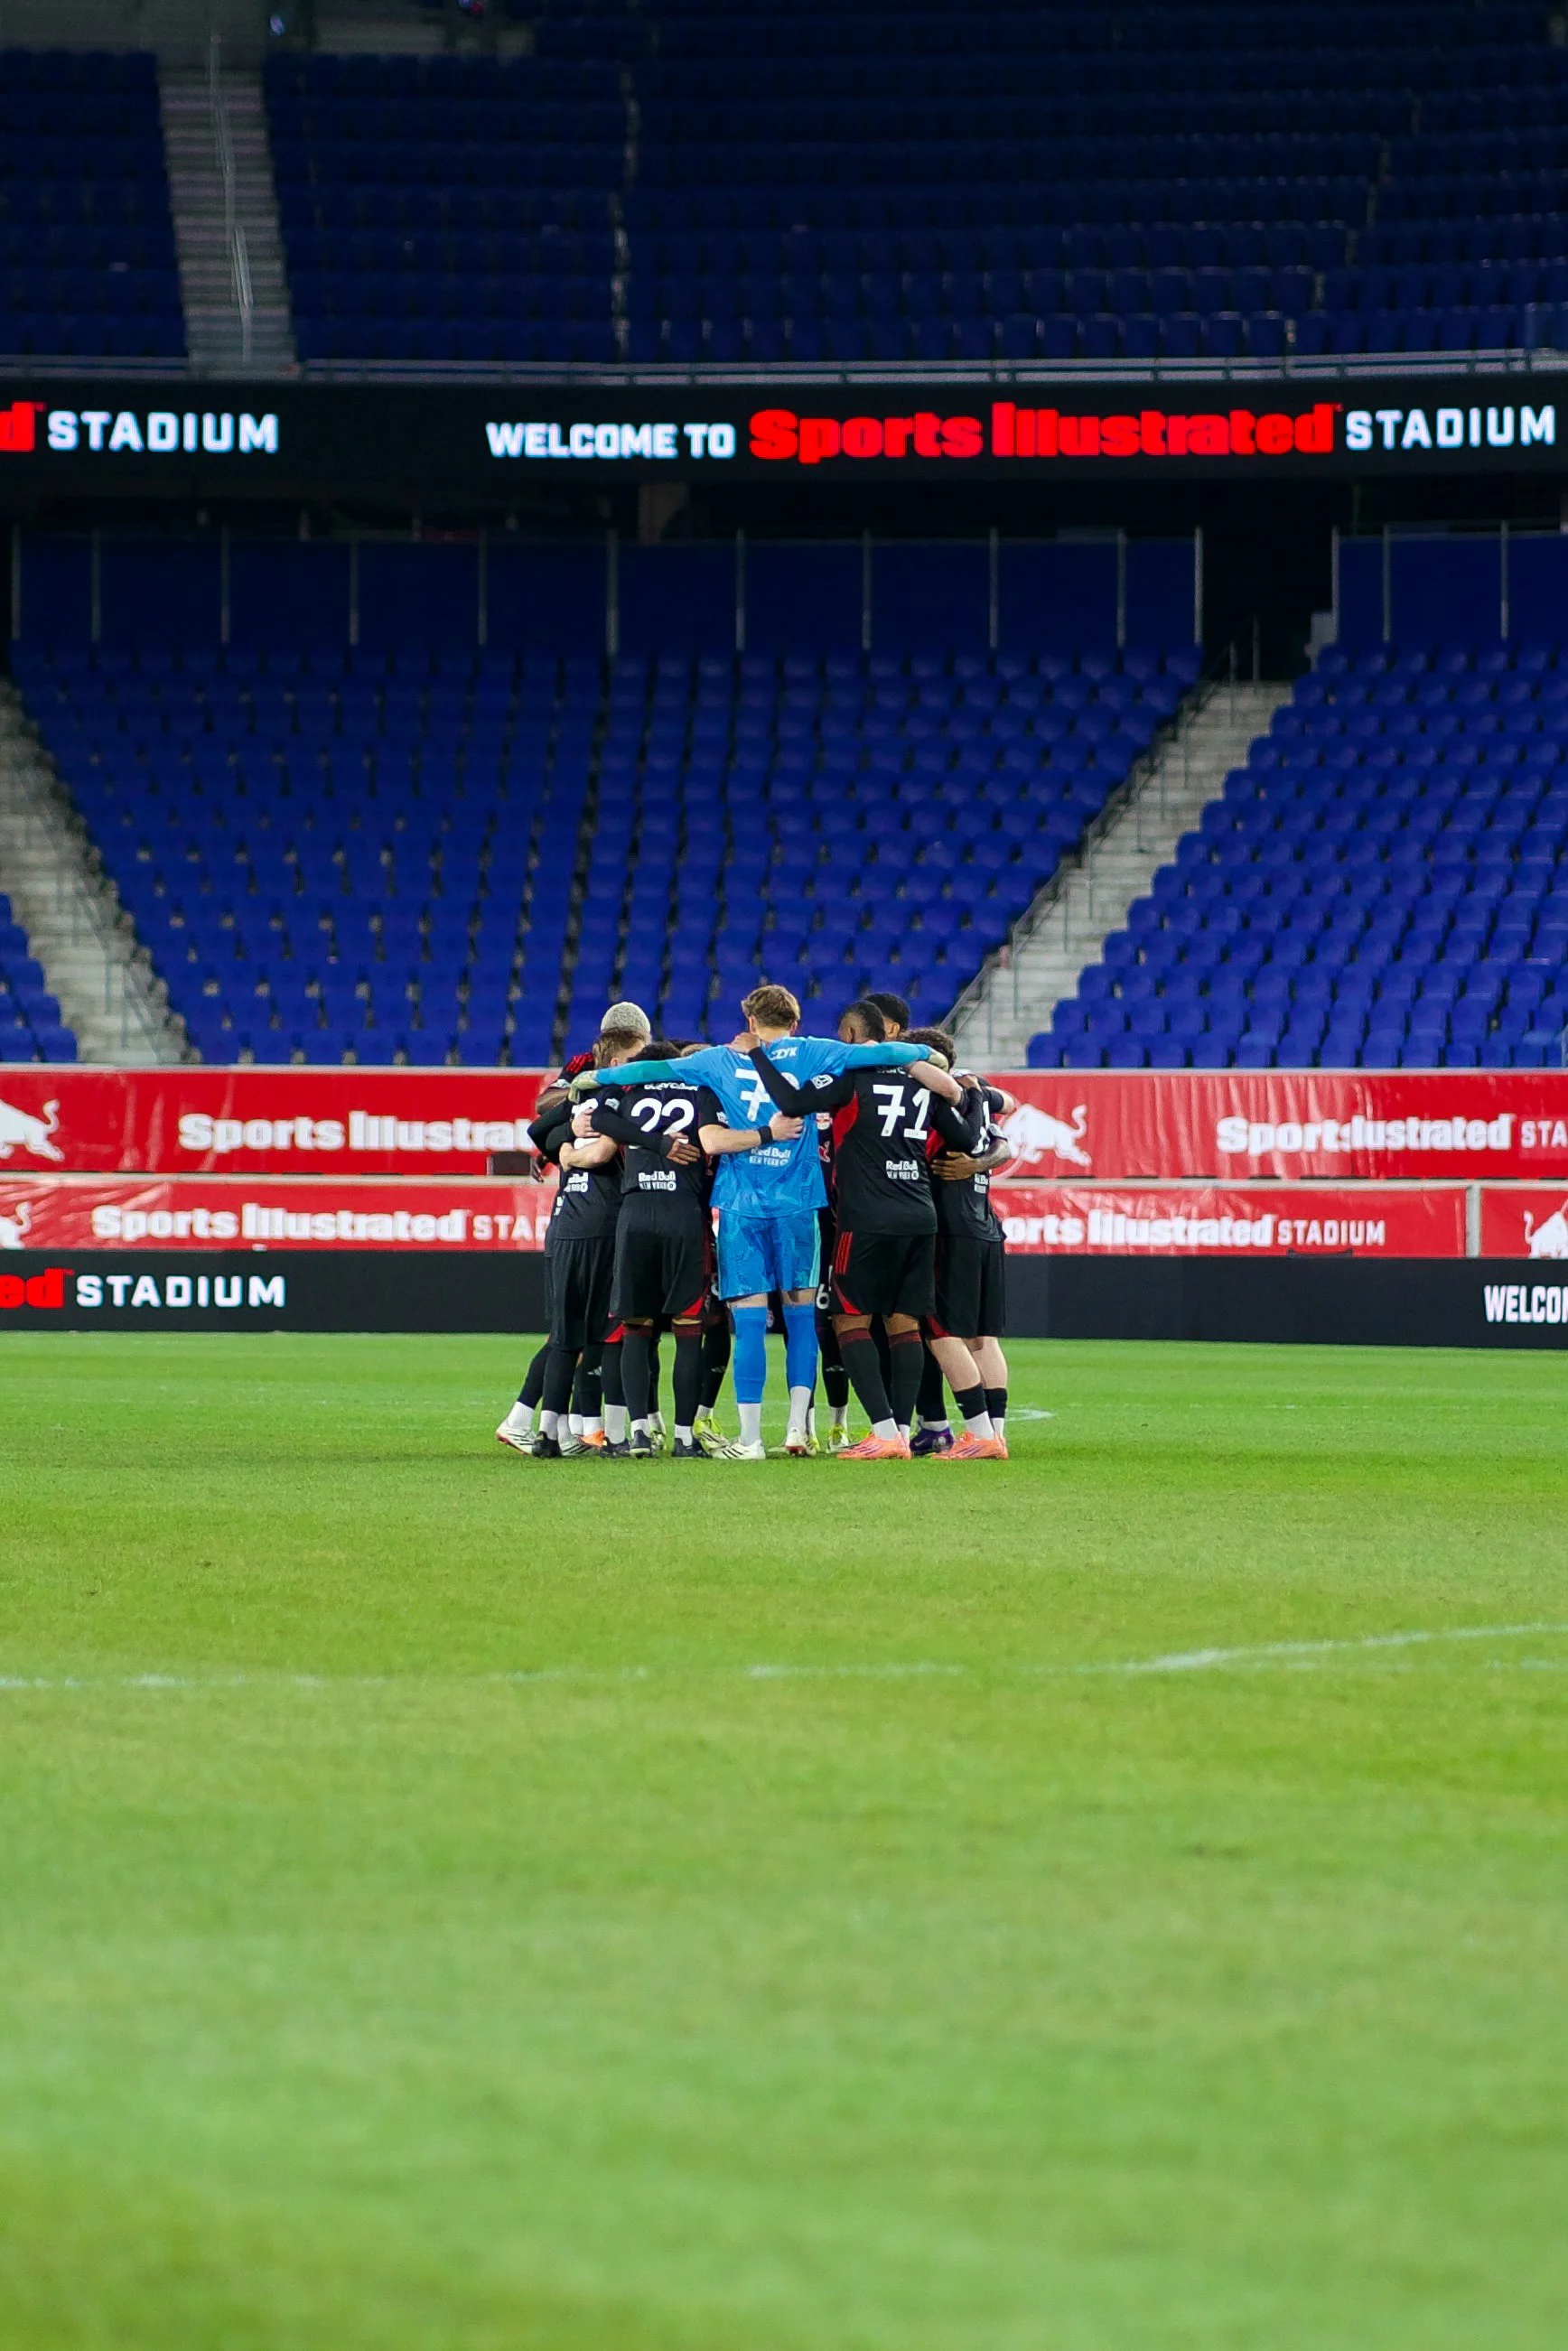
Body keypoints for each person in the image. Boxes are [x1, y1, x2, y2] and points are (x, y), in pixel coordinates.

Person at [572, 984, 934, 1460]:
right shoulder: (815, 1052)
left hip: (741, 1205)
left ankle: (750, 1439)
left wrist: (591, 1082)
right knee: (803, 1318)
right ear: (795, 1022)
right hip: (801, 1202)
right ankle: (797, 1431)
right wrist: (927, 1051)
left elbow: (654, 1068)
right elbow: (889, 1052)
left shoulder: (718, 1060)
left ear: (749, 1022)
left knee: (748, 1322)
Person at [742, 1038, 981, 1460]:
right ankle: (902, 1434)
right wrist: (975, 1095)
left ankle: (884, 1432)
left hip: (868, 1220)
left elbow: (791, 1101)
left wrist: (758, 1055)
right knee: (903, 1323)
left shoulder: (850, 1079)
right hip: (920, 1215)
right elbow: (965, 1135)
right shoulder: (919, 1081)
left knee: (848, 1321)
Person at [496, 1000, 652, 1453]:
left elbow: (537, 1132)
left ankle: (563, 1430)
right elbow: (548, 1117)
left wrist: (563, 1143)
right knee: (585, 1333)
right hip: (593, 1221)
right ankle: (536, 1422)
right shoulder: (593, 1080)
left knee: (573, 1335)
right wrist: (574, 1120)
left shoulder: (598, 1088)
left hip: (568, 1219)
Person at [587, 1051, 730, 1459]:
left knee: (636, 1329)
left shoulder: (628, 1090)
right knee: (688, 1332)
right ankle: (685, 1438)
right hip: (683, 1213)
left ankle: (639, 1435)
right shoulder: (703, 1090)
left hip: (636, 1213)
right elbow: (715, 1143)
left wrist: (654, 1142)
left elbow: (599, 1119)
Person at [905, 1025, 1015, 1462]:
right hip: (986, 1223)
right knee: (983, 1337)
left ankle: (978, 1433)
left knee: (941, 1330)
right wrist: (988, 1158)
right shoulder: (981, 1094)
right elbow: (1010, 1105)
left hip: (950, 1227)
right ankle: (997, 1434)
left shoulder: (934, 1102)